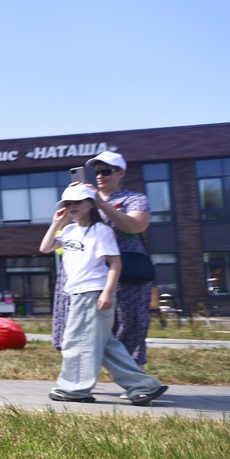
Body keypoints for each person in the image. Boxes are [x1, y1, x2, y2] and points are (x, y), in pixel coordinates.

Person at [38, 186, 167, 405]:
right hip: (78, 293)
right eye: (67, 204)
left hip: (92, 292)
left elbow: (115, 262)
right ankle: (142, 387)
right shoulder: (68, 231)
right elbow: (45, 248)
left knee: (76, 342)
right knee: (107, 346)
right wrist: (56, 223)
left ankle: (75, 388)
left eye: (77, 202)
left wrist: (107, 292)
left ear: (90, 203)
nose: (71, 207)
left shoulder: (101, 231)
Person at [87, 150, 154, 367]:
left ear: (121, 173)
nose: (100, 176)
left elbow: (135, 225)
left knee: (130, 323)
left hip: (127, 271)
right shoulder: (87, 201)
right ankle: (87, 375)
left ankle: (135, 377)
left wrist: (101, 203)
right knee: (91, 326)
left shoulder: (135, 199)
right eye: (97, 172)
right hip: (95, 271)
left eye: (106, 171)